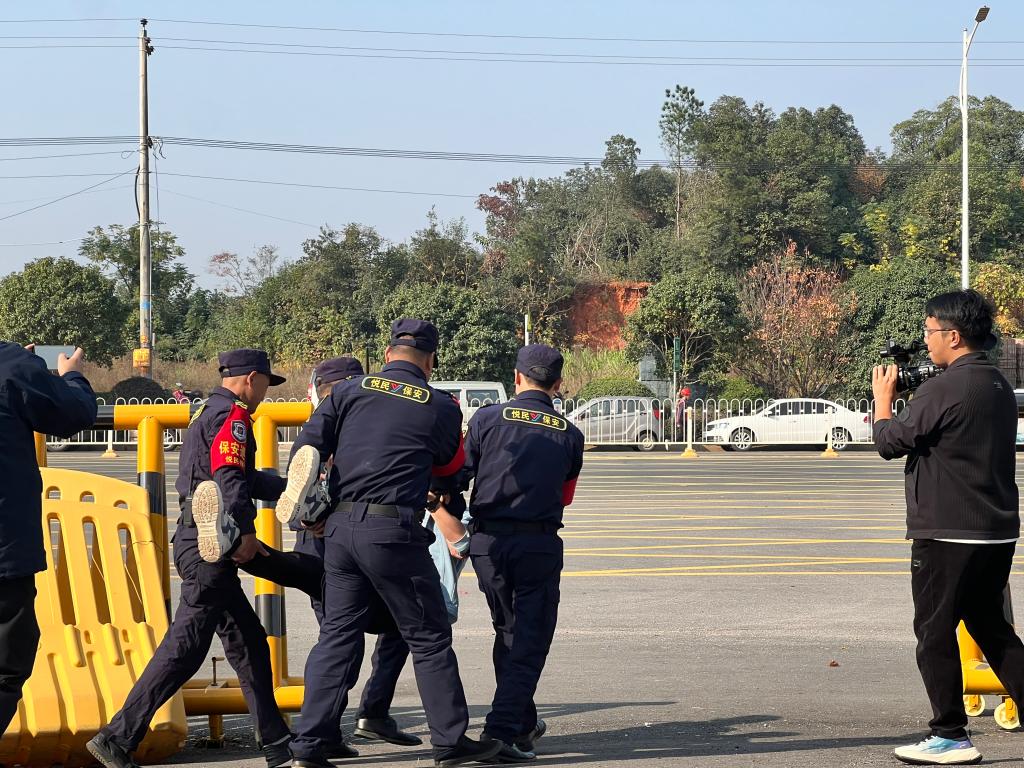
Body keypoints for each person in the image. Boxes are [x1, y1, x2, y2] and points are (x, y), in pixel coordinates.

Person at [280, 319, 501, 768]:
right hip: (392, 530)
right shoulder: (439, 406)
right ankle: (450, 742)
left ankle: (308, 745)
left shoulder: (347, 391)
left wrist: (315, 508)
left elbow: (307, 450)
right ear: (431, 360)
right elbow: (449, 470)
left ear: (386, 354)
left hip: (339, 530)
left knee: (336, 636)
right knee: (429, 636)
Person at [88, 349, 297, 768]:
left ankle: (276, 741)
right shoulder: (233, 417)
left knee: (249, 642)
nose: (265, 393)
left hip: (199, 539)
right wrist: (245, 532)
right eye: (265, 384)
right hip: (212, 542)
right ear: (250, 378)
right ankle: (116, 737)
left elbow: (242, 477)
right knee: (185, 647)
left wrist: (289, 488)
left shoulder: (206, 411)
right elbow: (230, 477)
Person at [873, 290, 1021, 766]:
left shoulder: (944, 388)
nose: (926, 340)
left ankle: (950, 734)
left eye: (930, 331)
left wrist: (883, 402)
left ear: (953, 336)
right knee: (991, 629)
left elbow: (890, 441)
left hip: (948, 533)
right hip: (995, 529)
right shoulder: (996, 383)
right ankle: (952, 732)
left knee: (934, 632)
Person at [459, 343, 584, 762]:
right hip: (537, 543)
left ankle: (522, 722)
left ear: (516, 378)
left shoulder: (485, 419)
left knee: (509, 632)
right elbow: (565, 496)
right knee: (529, 639)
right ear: (558, 384)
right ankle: (501, 732)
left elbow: (461, 472)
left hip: (488, 544)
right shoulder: (570, 434)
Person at [0, 343, 96, 733]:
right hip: (5, 551)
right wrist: (70, 374)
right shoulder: (11, 366)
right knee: (7, 664)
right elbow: (74, 413)